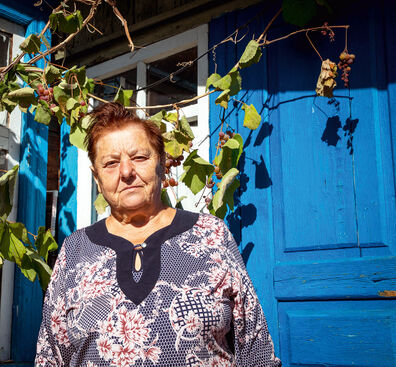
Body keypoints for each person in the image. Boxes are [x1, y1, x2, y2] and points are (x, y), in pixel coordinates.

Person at [35, 102, 281, 366]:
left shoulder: (211, 234)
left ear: (162, 164)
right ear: (97, 178)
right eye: (110, 163)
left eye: (139, 157)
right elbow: (50, 355)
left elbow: (256, 350)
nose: (127, 172)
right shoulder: (75, 249)